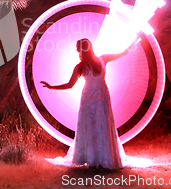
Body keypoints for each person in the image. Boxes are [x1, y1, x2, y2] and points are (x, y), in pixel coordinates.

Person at [41, 38, 136, 170]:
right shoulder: (96, 61)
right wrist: (52, 87)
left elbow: (69, 85)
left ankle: (95, 162)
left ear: (81, 49)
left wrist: (52, 87)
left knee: (94, 126)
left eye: (77, 47)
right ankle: (99, 162)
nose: (76, 50)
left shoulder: (87, 64)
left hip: (98, 98)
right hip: (96, 98)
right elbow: (124, 53)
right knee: (100, 126)